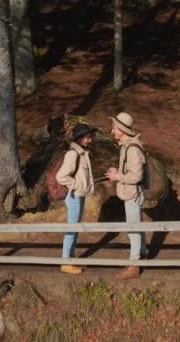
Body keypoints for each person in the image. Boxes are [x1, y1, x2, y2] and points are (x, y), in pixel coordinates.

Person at [105, 112, 147, 280]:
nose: (112, 131)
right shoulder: (127, 146)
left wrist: (117, 177)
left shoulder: (132, 149)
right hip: (131, 193)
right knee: (137, 227)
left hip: (132, 194)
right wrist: (118, 172)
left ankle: (134, 266)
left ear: (122, 130)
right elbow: (131, 172)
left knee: (133, 230)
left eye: (114, 127)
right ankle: (142, 255)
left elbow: (136, 177)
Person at [55, 123, 97, 274]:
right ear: (79, 138)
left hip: (79, 195)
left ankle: (70, 258)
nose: (89, 140)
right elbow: (60, 176)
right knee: (72, 229)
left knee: (75, 229)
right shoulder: (73, 154)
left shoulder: (82, 153)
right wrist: (76, 185)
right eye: (87, 137)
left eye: (90, 136)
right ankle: (65, 262)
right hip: (74, 196)